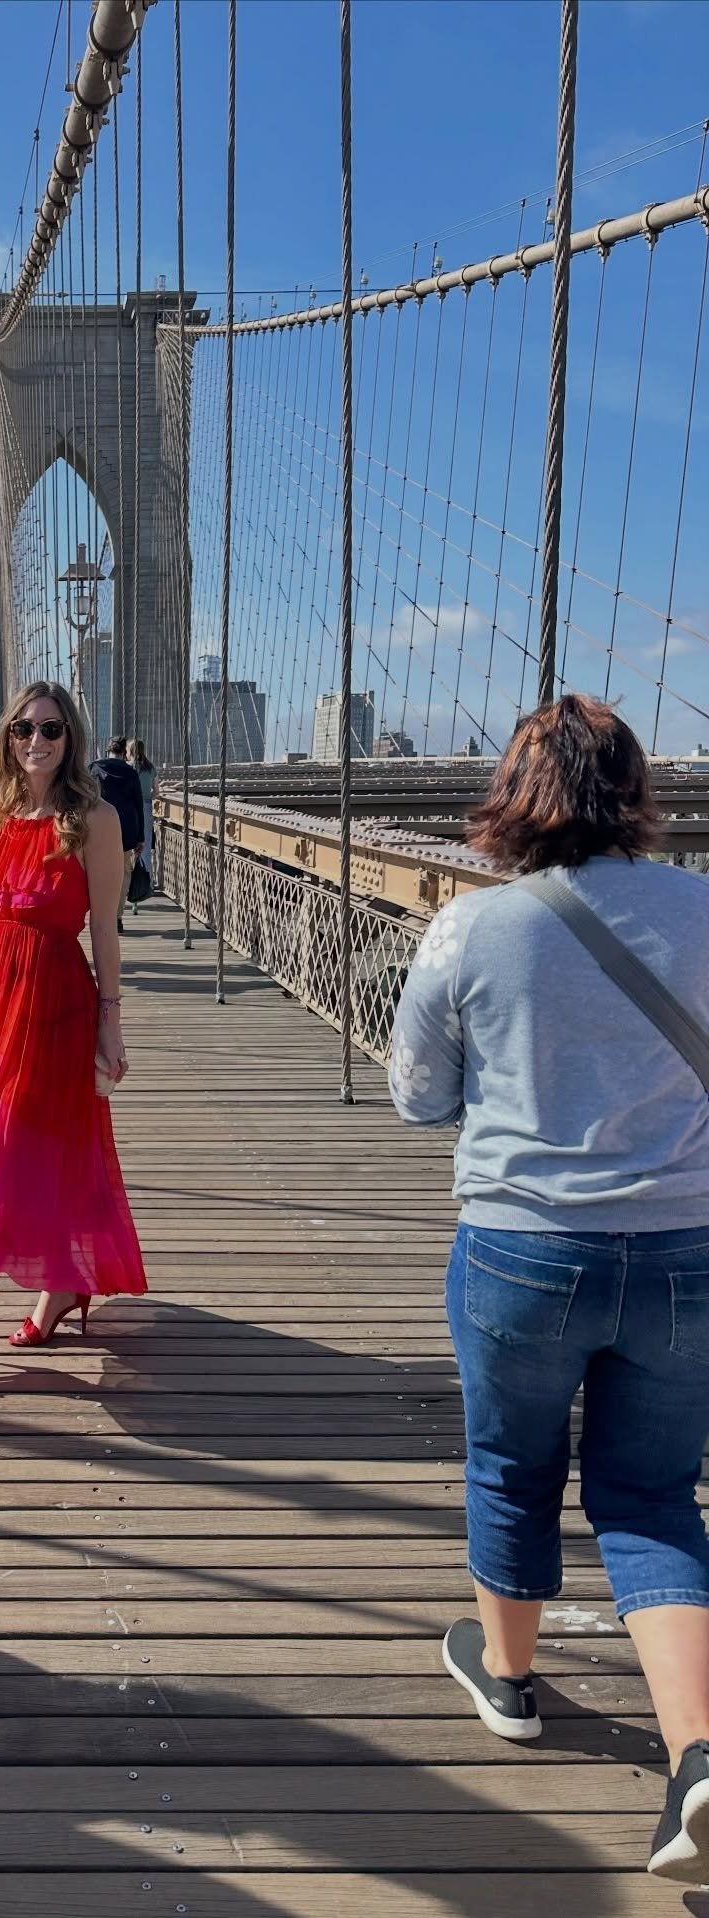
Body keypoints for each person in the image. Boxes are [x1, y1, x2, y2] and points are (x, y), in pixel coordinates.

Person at [387, 694, 709, 1883]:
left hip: (522, 1249)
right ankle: (698, 1756)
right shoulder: (706, 908)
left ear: (514, 794)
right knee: (653, 1494)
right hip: (686, 1253)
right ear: (635, 789)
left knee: (511, 1464)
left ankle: (511, 1680)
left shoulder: (473, 927)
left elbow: (418, 1093)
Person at [0, 681, 147, 1379]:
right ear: (8, 738)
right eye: (24, 729)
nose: (37, 741)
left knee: (15, 1148)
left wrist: (111, 1023)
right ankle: (64, 1284)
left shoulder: (95, 819)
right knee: (21, 1143)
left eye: (51, 729)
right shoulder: (6, 808)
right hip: (0, 998)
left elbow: (105, 930)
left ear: (70, 738)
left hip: (55, 1001)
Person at [90, 735, 146, 934]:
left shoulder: (94, 768)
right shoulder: (131, 773)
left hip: (99, 828)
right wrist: (141, 836)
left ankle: (100, 914)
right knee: (123, 875)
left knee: (97, 873)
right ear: (124, 753)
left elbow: (85, 799)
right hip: (127, 829)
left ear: (108, 750)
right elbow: (138, 805)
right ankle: (117, 917)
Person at [129, 739, 156, 904]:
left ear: (130, 751)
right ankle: (148, 884)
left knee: (127, 847)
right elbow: (156, 791)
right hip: (146, 807)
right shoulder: (150, 767)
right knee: (145, 846)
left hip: (131, 807)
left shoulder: (129, 767)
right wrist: (147, 797)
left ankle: (128, 883)